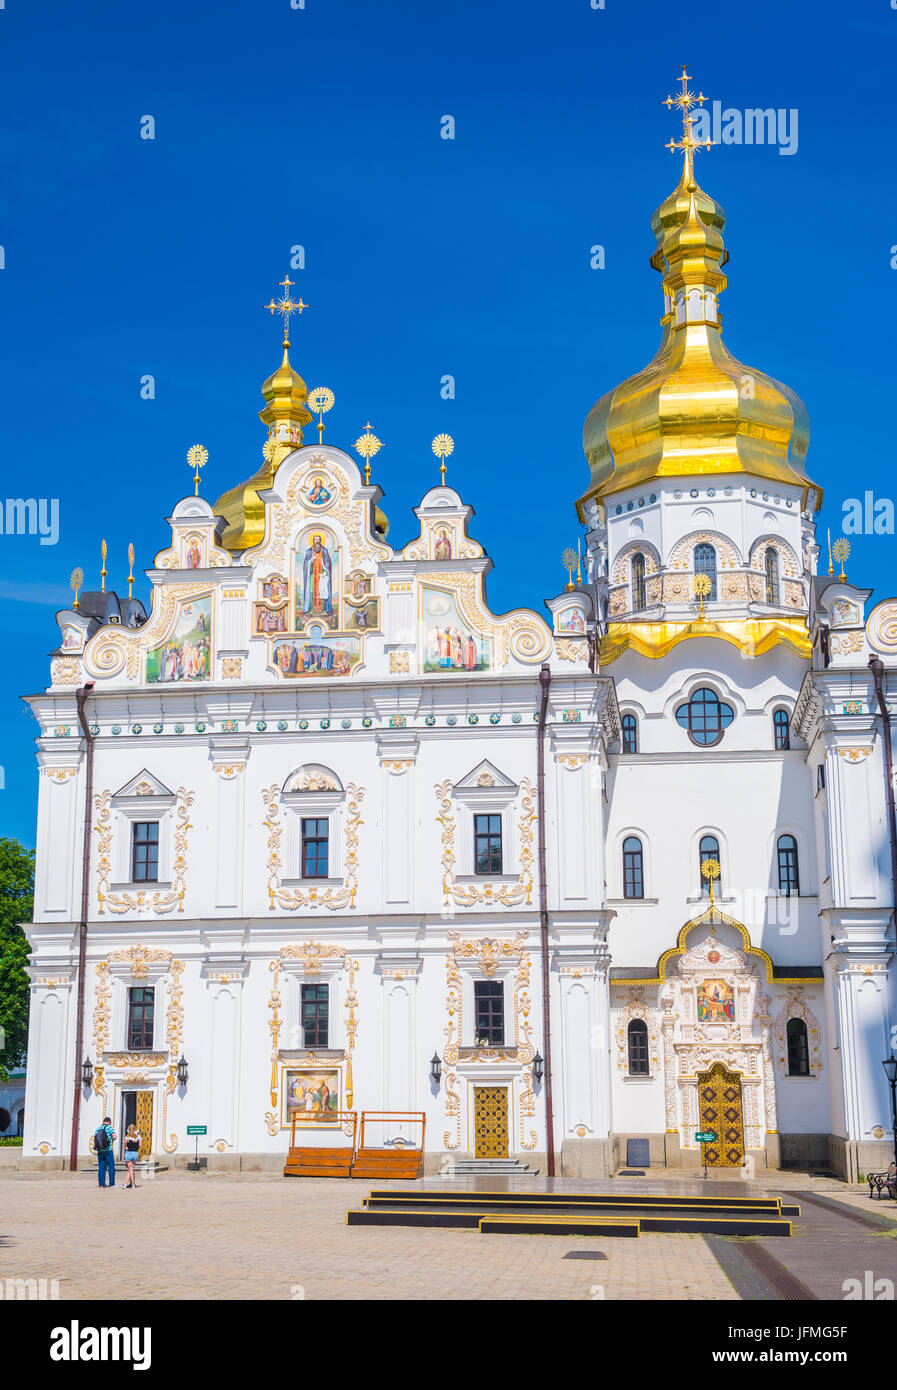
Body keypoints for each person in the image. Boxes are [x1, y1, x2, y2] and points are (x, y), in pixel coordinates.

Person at [95, 1116, 116, 1188]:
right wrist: (112, 1140)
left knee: (101, 1167)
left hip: (100, 1150)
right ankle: (112, 1183)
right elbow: (115, 1136)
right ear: (109, 1122)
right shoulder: (109, 1127)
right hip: (108, 1150)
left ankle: (101, 1184)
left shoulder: (98, 1129)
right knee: (111, 1166)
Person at [123, 1124, 141, 1188]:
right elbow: (140, 1145)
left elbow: (125, 1145)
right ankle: (128, 1184)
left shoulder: (127, 1136)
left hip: (129, 1153)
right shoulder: (138, 1136)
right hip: (135, 1153)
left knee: (130, 1170)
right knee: (131, 1169)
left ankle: (132, 1184)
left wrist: (126, 1146)